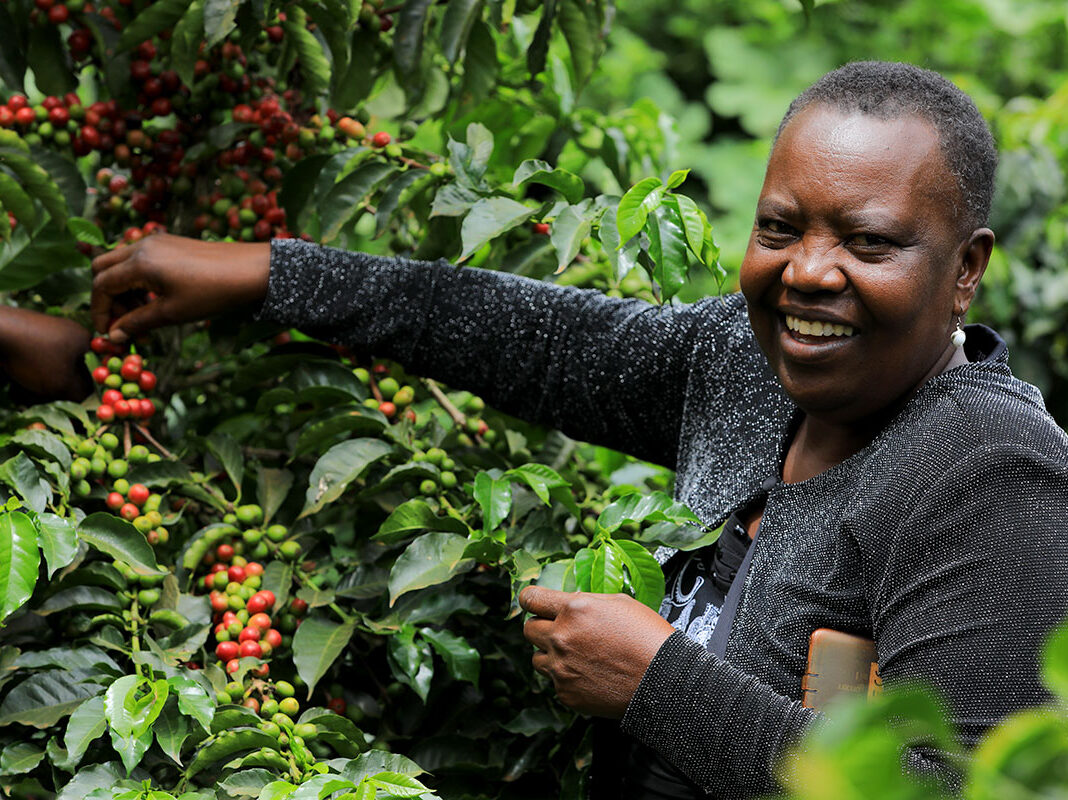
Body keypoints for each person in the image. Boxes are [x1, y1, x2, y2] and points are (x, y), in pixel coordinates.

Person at [89, 61, 1068, 799]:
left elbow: (953, 784)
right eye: (781, 228)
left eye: (870, 241)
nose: (809, 271)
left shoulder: (986, 469)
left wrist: (656, 679)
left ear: (966, 267)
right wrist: (268, 275)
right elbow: (531, 339)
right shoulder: (745, 361)